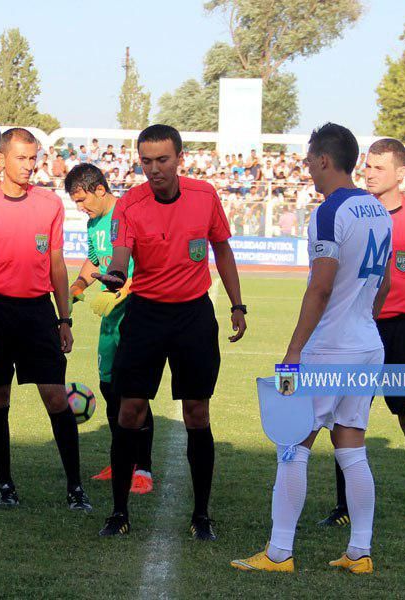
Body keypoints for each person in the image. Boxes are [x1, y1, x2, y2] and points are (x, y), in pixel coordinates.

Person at [231, 123, 392, 574]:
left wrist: (294, 351)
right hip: (366, 345)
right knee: (352, 447)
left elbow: (320, 288)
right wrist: (362, 324)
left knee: (292, 444)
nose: (306, 167)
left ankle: (279, 552)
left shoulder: (329, 211)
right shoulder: (378, 210)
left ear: (324, 159)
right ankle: (360, 552)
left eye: (308, 159)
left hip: (330, 349)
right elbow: (388, 283)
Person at [95, 124, 247, 541]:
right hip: (145, 315)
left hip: (193, 317)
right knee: (130, 411)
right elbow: (121, 256)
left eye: (162, 160)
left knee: (197, 412)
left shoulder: (205, 195)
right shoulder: (129, 204)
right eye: (146, 161)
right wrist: (113, 275)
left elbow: (222, 249)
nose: (154, 169)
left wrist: (237, 304)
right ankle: (119, 512)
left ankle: (201, 515)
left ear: (180, 158)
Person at [318, 138, 405, 535]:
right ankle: (342, 507)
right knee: (346, 419)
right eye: (367, 166)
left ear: (401, 173)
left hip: (404, 330)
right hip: (358, 328)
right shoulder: (351, 211)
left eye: (378, 167)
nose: (369, 172)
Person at [0, 128, 91, 512]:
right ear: (1, 159)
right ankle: (5, 486)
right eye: (20, 158)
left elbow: (57, 263)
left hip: (39, 312)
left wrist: (64, 317)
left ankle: (75, 488)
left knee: (55, 397)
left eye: (33, 158)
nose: (28, 165)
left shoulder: (50, 204)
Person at [65, 163, 154, 495]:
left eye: (81, 200)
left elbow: (148, 261)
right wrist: (76, 287)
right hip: (110, 316)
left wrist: (122, 291)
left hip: (137, 312)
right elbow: (94, 260)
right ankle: (122, 461)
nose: (80, 207)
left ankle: (143, 469)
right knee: (109, 388)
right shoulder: (93, 223)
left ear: (99, 189)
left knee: (134, 391)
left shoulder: (129, 213)